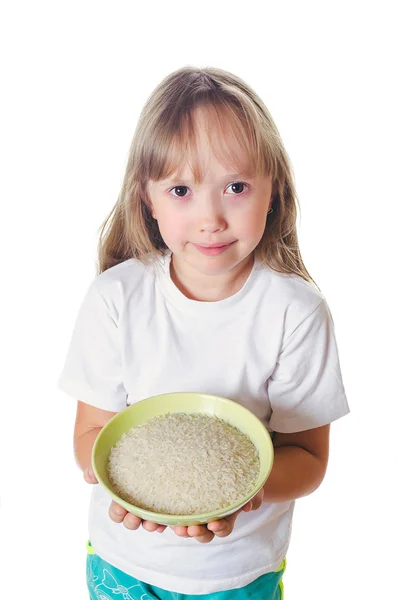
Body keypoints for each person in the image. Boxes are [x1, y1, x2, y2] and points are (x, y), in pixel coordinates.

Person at [58, 66, 350, 600]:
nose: (210, 217)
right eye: (181, 189)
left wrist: (242, 493)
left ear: (273, 191)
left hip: (238, 575)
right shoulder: (116, 298)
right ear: (147, 198)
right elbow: (90, 435)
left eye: (236, 186)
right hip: (124, 563)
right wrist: (126, 485)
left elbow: (307, 457)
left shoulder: (295, 311)